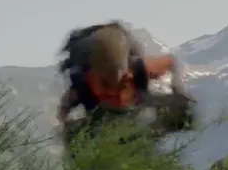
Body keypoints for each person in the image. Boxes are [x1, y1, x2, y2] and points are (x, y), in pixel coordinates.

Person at [56, 22, 190, 132]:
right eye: (106, 84)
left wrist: (178, 90)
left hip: (133, 111)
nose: (114, 92)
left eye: (122, 83)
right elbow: (63, 113)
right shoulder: (82, 87)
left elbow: (171, 62)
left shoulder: (139, 71)